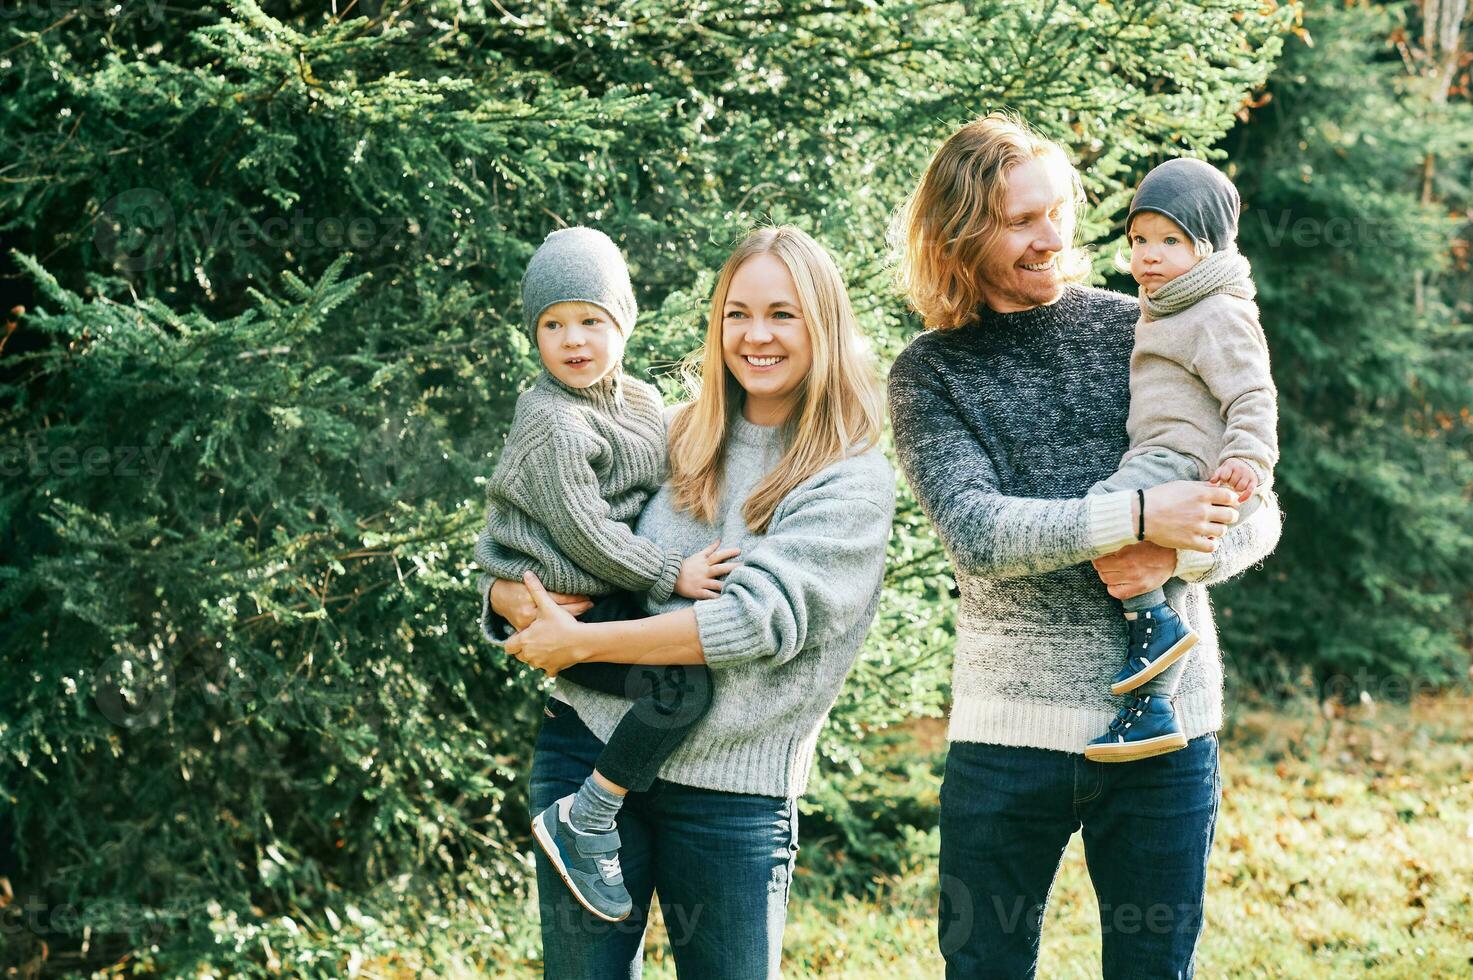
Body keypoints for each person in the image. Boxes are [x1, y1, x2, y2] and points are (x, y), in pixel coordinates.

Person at [887, 112, 1281, 979]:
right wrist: (1138, 518)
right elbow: (978, 532)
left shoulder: (1144, 323)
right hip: (1007, 739)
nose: (1050, 237)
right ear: (960, 230)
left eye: (1056, 210)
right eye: (1020, 221)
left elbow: (1258, 508)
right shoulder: (930, 371)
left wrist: (1182, 555)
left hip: (1168, 734)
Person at [485, 225, 895, 978]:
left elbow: (748, 622)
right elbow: (559, 526)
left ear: (822, 324)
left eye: (782, 313)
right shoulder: (673, 432)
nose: (755, 335)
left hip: (732, 797)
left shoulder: (849, 478)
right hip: (588, 748)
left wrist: (581, 645)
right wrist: (504, 594)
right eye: (737, 313)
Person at [472, 226, 739, 922]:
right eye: (552, 325)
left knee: (679, 677)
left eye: (591, 320)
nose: (573, 340)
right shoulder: (551, 422)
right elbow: (583, 532)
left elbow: (666, 482)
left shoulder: (645, 403)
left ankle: (595, 811)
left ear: (623, 321)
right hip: (565, 603)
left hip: (604, 599)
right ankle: (587, 818)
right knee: (682, 686)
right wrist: (667, 573)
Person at [1083, 157, 1279, 762]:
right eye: (1140, 239)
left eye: (1170, 240)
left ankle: (1160, 627)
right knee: (1135, 563)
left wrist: (1248, 457)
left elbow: (1251, 392)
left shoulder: (1216, 311)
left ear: (1209, 246)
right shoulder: (1164, 307)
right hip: (1159, 452)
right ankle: (1153, 707)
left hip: (1181, 458)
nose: (1148, 255)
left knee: (1098, 512)